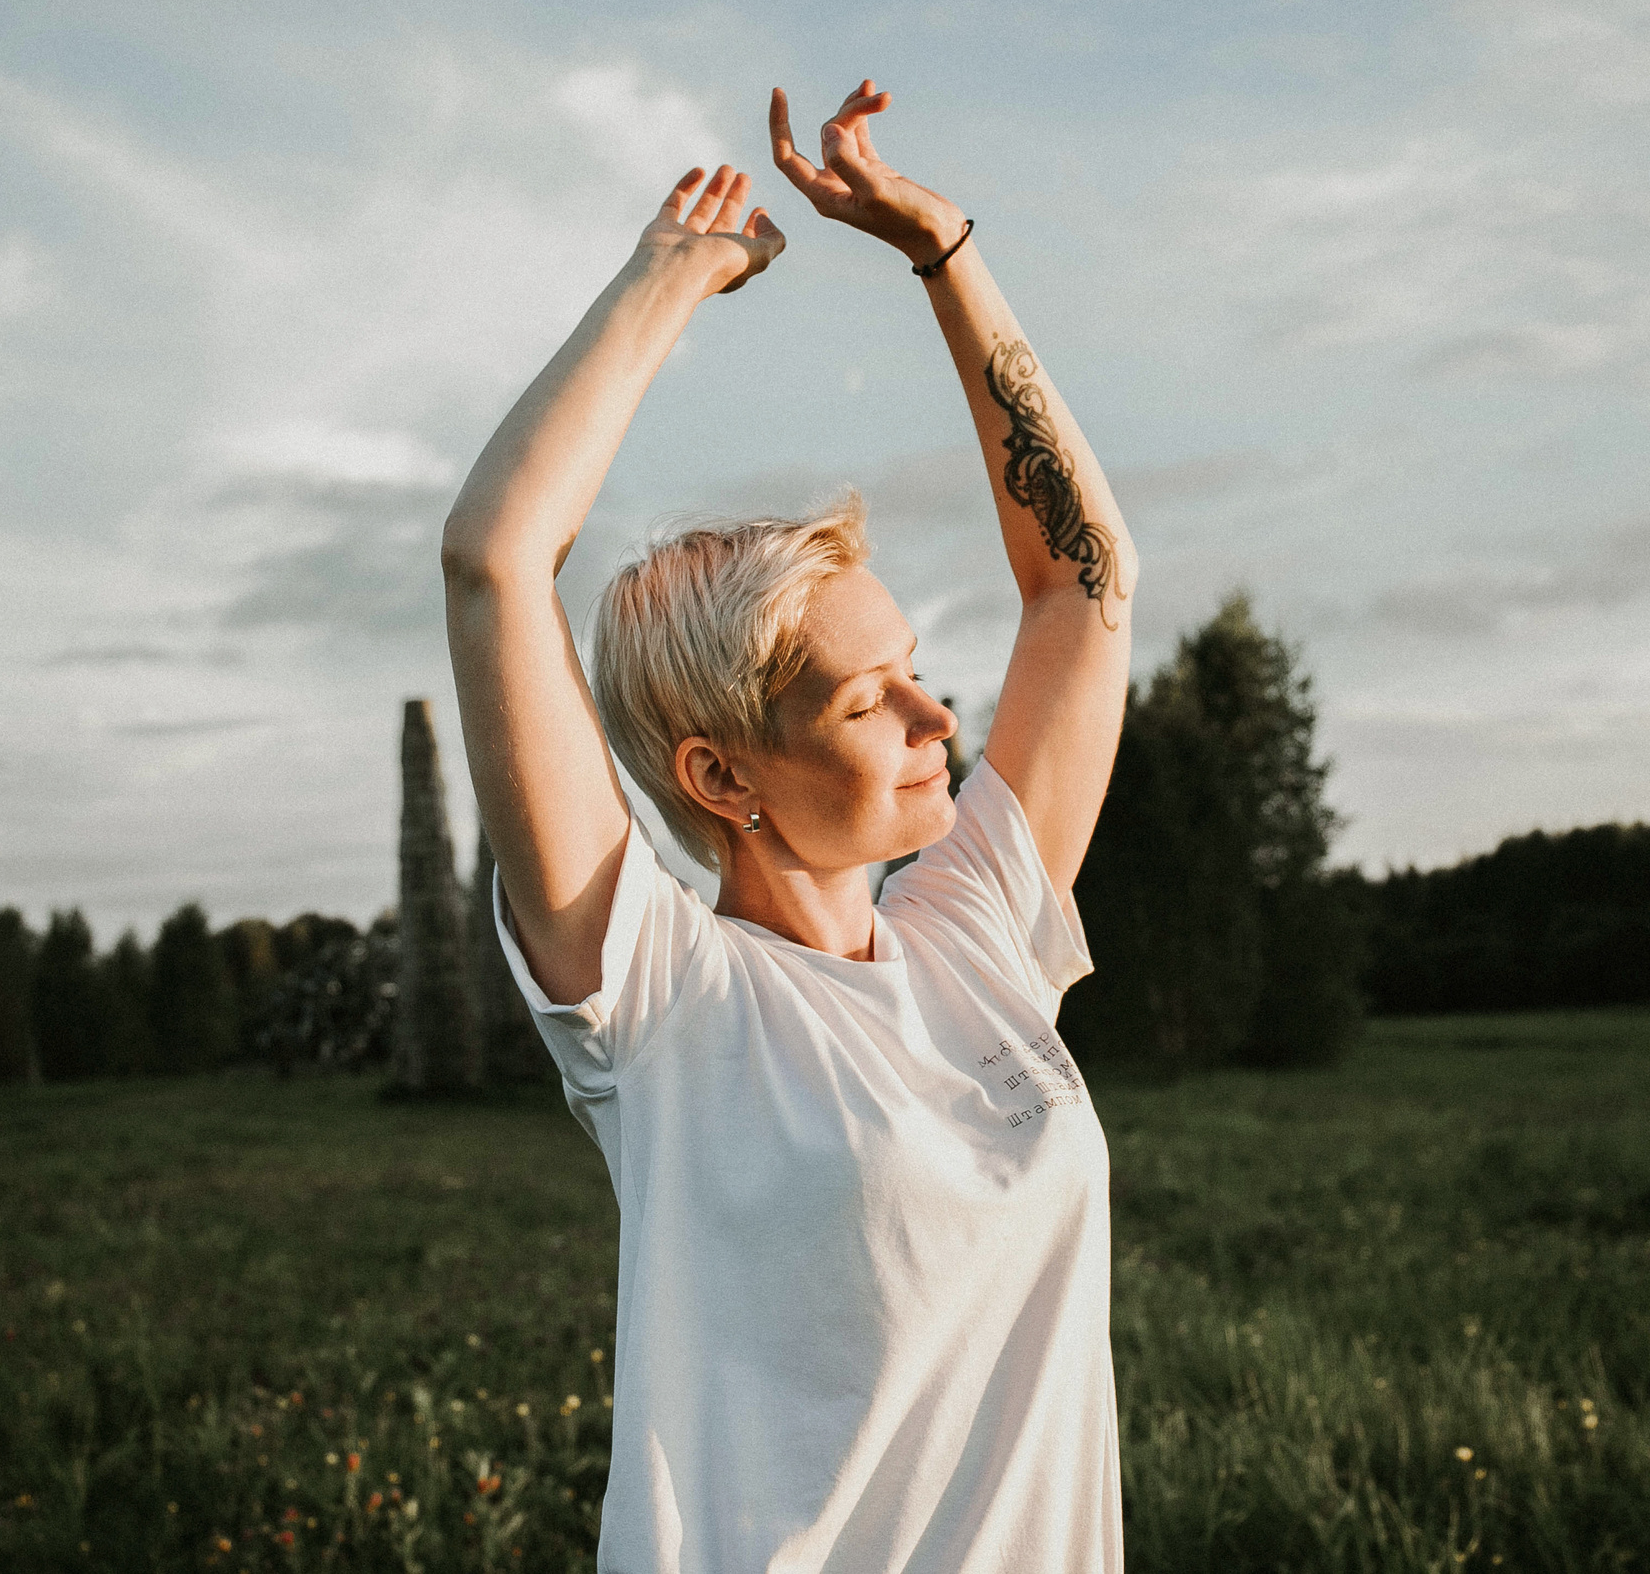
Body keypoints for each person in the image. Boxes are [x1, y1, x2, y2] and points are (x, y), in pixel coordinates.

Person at [442, 79, 1138, 1573]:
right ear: (720, 778)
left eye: (917, 677)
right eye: (865, 703)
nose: (936, 719)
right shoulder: (663, 1003)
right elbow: (499, 560)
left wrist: (944, 249)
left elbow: (1082, 589)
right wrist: (670, 279)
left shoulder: (979, 942)